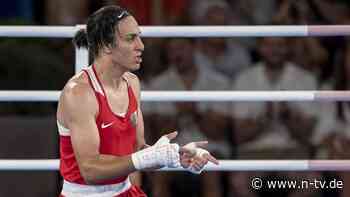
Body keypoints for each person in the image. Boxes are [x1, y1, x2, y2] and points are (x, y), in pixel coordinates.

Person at [56, 5, 218, 197]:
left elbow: (137, 150)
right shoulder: (80, 94)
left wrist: (176, 156)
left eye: (139, 36)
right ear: (107, 45)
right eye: (131, 38)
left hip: (127, 191)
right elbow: (90, 170)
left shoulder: (132, 83)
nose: (141, 45)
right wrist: (145, 157)